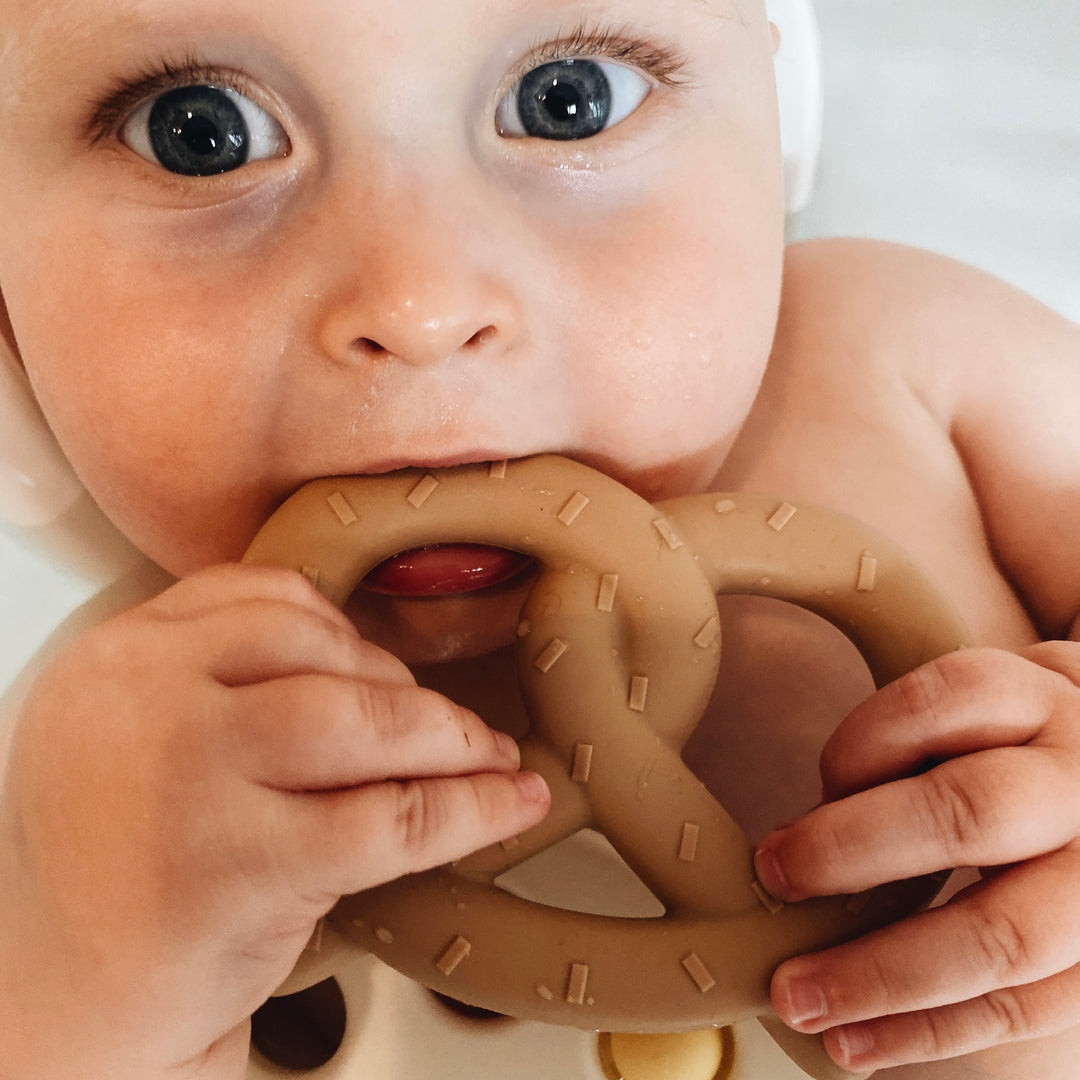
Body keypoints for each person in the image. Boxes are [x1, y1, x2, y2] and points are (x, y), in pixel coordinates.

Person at [0, 0, 1077, 1077]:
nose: (420, 304)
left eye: (569, 103)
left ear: (781, 110)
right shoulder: (85, 796)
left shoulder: (909, 359)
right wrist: (88, 985)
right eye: (200, 131)